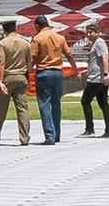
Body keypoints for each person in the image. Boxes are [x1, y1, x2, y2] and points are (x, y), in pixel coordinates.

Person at [29, 15, 79, 145]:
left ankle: (49, 136)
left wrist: (27, 73)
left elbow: (32, 58)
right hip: (58, 73)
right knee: (56, 104)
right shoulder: (60, 37)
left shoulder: (37, 38)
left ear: (37, 26)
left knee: (44, 104)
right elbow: (69, 55)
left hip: (44, 73)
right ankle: (56, 134)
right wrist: (75, 69)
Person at [0, 19, 32, 146]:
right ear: (15, 28)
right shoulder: (25, 42)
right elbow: (29, 63)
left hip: (7, 77)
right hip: (21, 77)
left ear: (4, 29)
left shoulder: (3, 43)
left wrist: (0, 81)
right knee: (22, 109)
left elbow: (1, 63)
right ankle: (24, 137)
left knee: (1, 109)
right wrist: (27, 78)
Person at [79, 24, 109, 138]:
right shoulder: (95, 44)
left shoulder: (99, 42)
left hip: (96, 79)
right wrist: (87, 71)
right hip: (96, 77)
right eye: (87, 32)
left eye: (91, 32)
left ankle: (90, 129)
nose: (89, 34)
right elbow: (96, 61)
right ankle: (108, 130)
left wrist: (106, 74)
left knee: (85, 101)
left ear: (98, 32)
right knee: (103, 103)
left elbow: (105, 58)